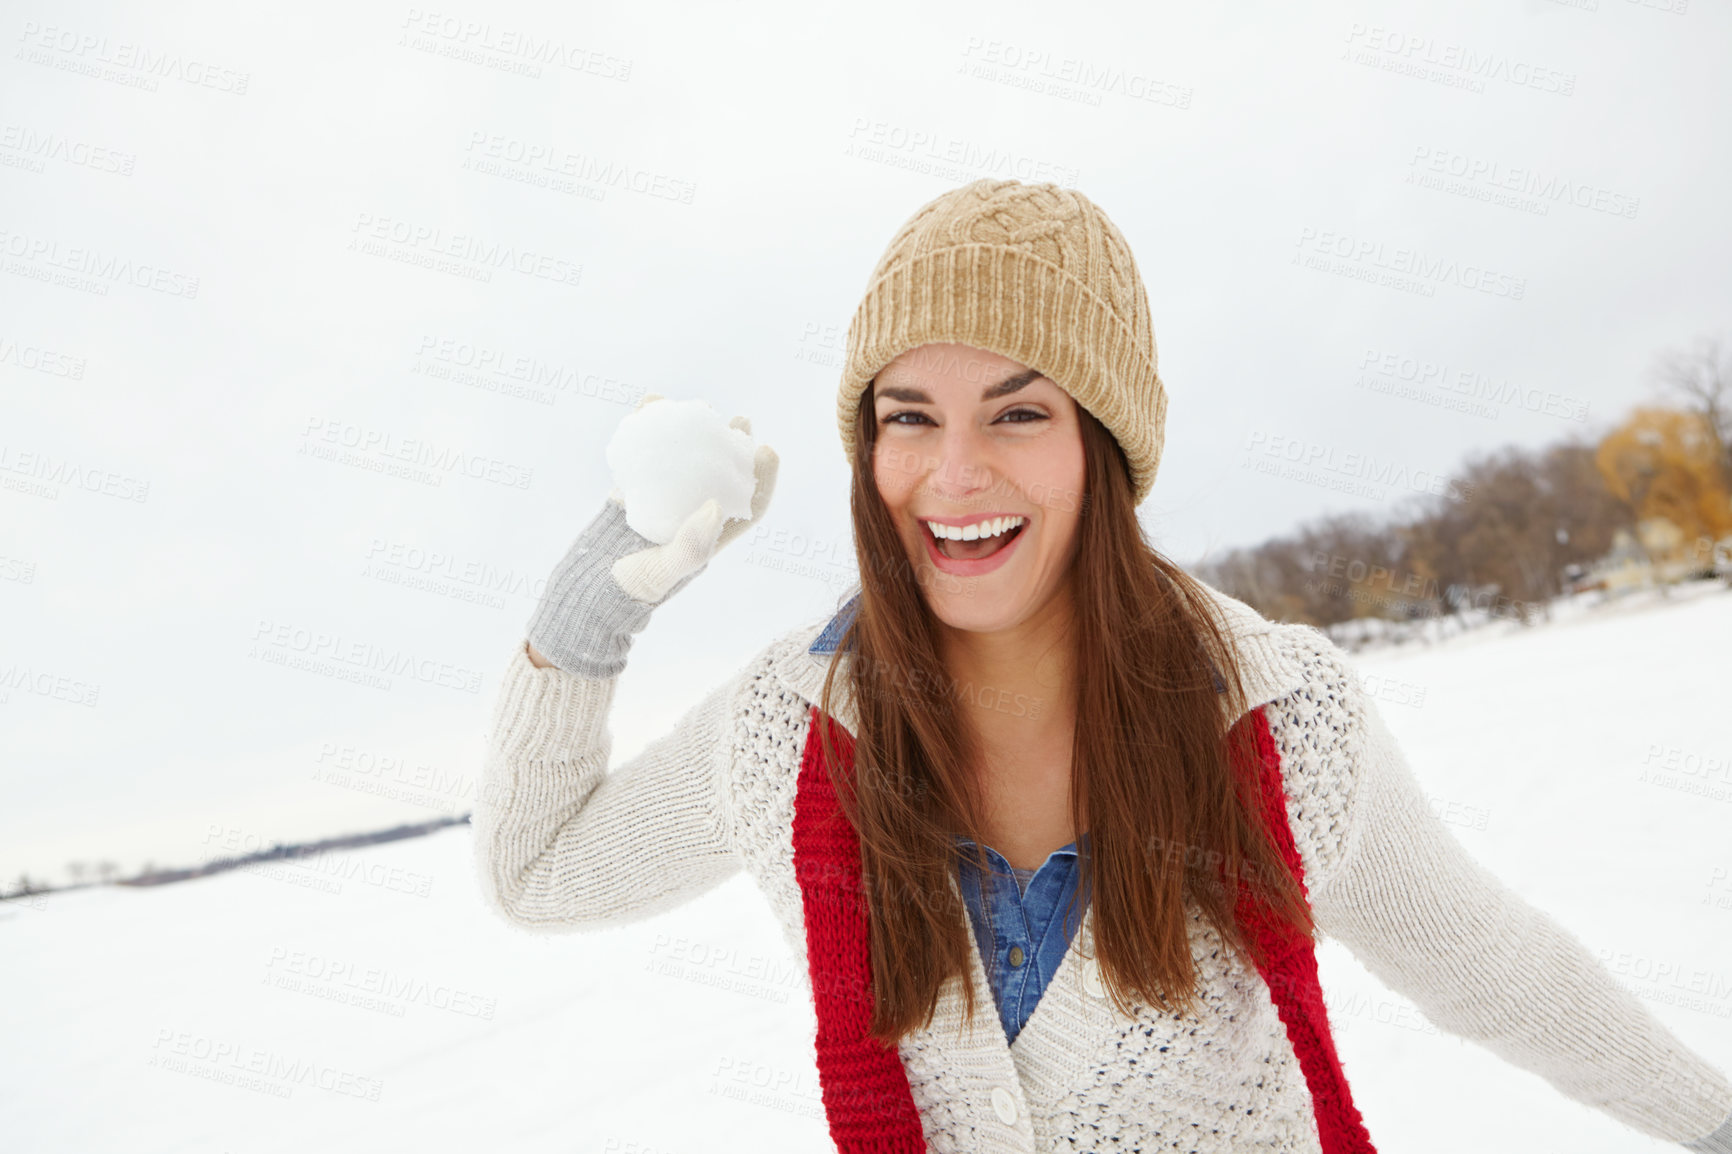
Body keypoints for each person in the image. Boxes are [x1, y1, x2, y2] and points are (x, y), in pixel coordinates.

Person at [473, 178, 1732, 1153]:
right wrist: (588, 613)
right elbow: (537, 871)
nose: (952, 475)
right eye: (908, 415)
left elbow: (1494, 967)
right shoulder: (790, 729)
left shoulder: (1281, 720)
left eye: (1017, 412)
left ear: (1103, 450)